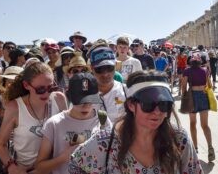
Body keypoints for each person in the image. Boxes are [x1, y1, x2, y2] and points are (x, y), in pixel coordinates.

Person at [68, 70, 203, 173]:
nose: (157, 111)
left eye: (164, 104)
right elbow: (75, 164)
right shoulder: (106, 142)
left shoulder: (179, 139)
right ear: (131, 105)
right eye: (149, 104)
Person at [0, 62, 67, 173]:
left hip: (56, 168)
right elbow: (0, 144)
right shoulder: (15, 108)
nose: (46, 93)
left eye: (51, 87)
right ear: (26, 85)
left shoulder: (59, 99)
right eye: (40, 89)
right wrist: (11, 167)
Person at [35, 72, 111, 174]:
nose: (86, 106)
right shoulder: (54, 124)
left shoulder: (103, 119)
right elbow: (39, 168)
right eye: (80, 101)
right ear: (69, 96)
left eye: (91, 100)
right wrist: (63, 158)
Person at [181, 52, 215, 161]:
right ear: (200, 61)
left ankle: (195, 149)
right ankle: (210, 147)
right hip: (203, 96)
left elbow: (183, 85)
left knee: (193, 123)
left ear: (191, 61)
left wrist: (184, 95)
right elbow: (210, 85)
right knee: (205, 125)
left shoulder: (187, 70)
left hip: (192, 96)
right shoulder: (205, 70)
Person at [90, 46, 126, 123]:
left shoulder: (126, 91)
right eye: (99, 69)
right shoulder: (84, 94)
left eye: (109, 68)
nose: (105, 74)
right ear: (91, 68)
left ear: (116, 65)